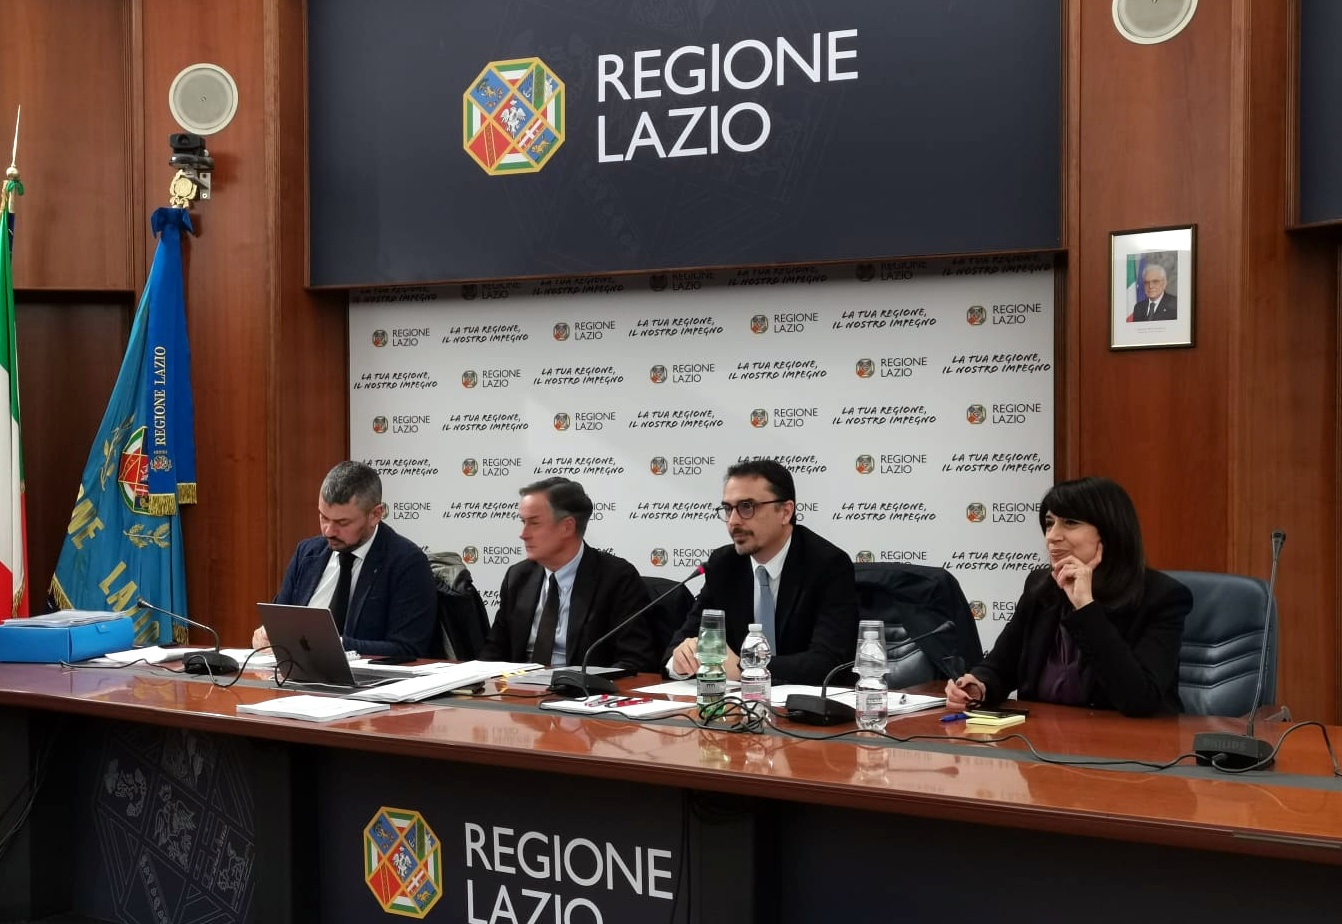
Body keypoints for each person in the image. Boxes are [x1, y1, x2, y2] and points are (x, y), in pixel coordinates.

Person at [945, 476, 1192, 717]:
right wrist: (979, 686)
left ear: (1108, 532)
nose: (1052, 536)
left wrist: (1085, 607)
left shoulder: (1161, 597)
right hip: (1041, 738)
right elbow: (1001, 665)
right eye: (1049, 523)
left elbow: (1139, 699)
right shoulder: (1041, 586)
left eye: (1070, 523)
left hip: (1129, 740)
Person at [666, 459, 858, 686]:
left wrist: (744, 667)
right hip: (738, 702)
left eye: (747, 507)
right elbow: (679, 644)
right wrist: (680, 660)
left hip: (805, 703)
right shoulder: (723, 565)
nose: (733, 521)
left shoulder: (828, 565)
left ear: (785, 512)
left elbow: (829, 662)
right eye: (728, 509)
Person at [251, 461, 438, 658]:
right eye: (323, 517)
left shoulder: (407, 563)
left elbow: (408, 649)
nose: (328, 531)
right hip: (294, 672)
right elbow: (279, 620)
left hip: (366, 677)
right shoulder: (306, 553)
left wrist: (334, 645)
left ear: (375, 515)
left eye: (342, 522)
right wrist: (265, 635)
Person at [479, 477, 657, 672]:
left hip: (581, 687)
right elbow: (494, 654)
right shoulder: (518, 577)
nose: (523, 534)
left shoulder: (617, 578)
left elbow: (634, 661)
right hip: (517, 686)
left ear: (567, 527)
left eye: (534, 523)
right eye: (523, 522)